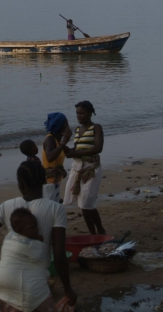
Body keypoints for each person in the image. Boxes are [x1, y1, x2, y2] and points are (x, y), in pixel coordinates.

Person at [0, 160, 77, 311]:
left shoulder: (6, 206)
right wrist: (68, 289)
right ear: (43, 181)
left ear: (21, 185)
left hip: (2, 282)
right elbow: (59, 255)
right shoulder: (55, 209)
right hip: (33, 288)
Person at [64, 101, 106, 235]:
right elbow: (77, 149)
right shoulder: (77, 129)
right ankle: (92, 233)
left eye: (82, 113)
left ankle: (100, 229)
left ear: (89, 113)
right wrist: (67, 148)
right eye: (77, 113)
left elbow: (98, 148)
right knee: (82, 204)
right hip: (78, 168)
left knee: (87, 202)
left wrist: (77, 153)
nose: (79, 116)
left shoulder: (96, 128)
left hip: (91, 169)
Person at [42, 113, 72, 203]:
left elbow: (70, 152)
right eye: (66, 123)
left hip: (55, 181)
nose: (68, 125)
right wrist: (64, 142)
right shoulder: (50, 139)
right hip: (49, 182)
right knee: (49, 208)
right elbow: (50, 157)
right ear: (60, 125)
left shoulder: (57, 141)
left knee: (54, 207)